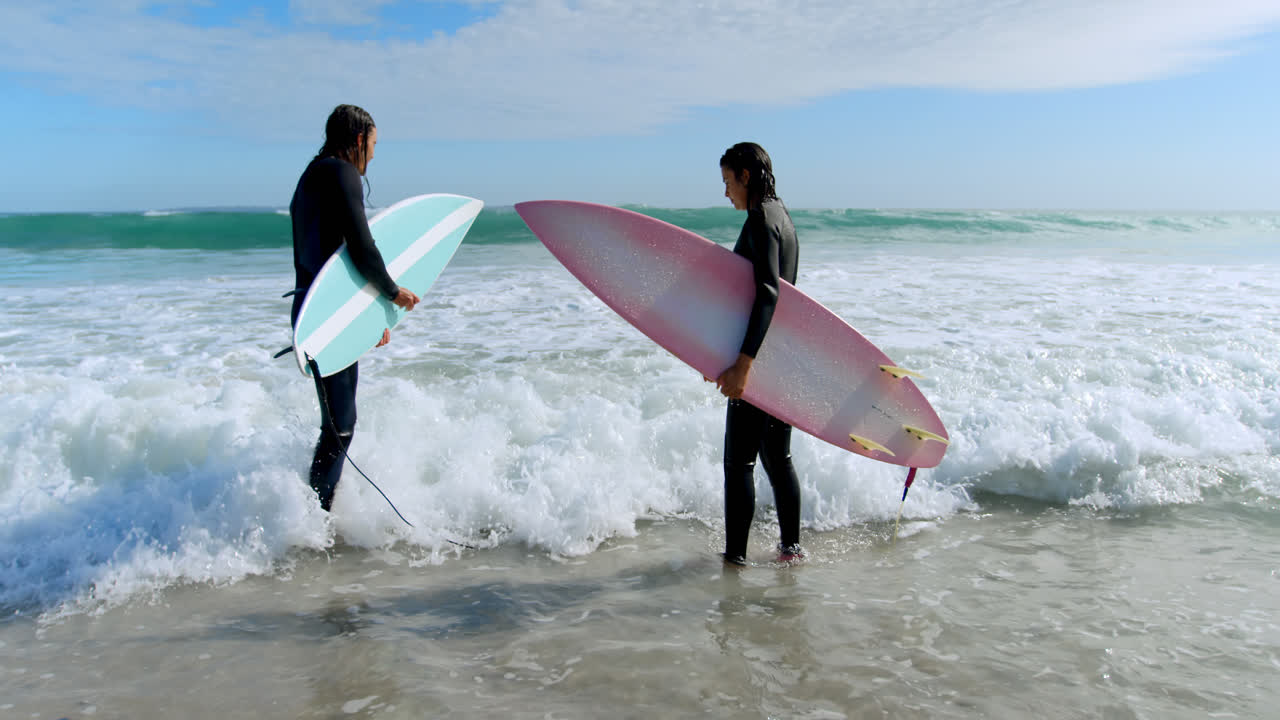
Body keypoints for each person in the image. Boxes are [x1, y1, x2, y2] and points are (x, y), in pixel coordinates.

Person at [290, 104, 419, 511]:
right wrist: (392, 293)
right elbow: (361, 247)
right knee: (340, 428)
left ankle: (313, 514)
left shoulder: (310, 177)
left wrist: (364, 318)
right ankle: (315, 516)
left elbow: (327, 260)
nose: (374, 155)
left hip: (315, 309)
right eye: (374, 144)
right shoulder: (342, 174)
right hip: (328, 315)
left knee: (337, 426)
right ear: (359, 139)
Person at [713, 142, 804, 566]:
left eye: (728, 181)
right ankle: (791, 550)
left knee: (739, 464)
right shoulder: (781, 215)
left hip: (759, 359)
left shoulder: (759, 220)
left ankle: (735, 560)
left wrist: (742, 365)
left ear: (745, 176)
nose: (726, 192)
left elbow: (768, 293)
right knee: (777, 458)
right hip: (780, 355)